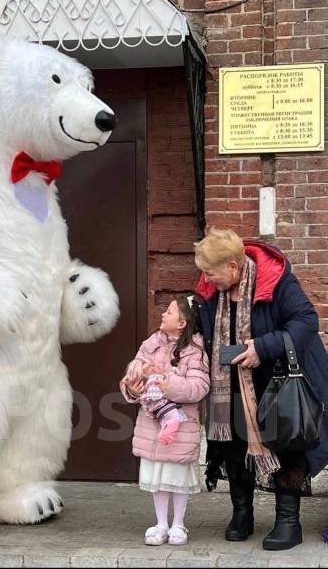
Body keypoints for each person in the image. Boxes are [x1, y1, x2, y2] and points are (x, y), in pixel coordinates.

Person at [194, 228, 328, 551]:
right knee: (235, 445)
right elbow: (199, 332)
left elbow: (307, 321)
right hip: (234, 385)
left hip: (280, 382)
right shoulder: (211, 291)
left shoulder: (277, 281)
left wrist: (261, 348)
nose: (207, 280)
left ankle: (288, 522)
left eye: (211, 273)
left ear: (233, 267)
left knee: (287, 447)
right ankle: (242, 514)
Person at [120, 295, 209, 547]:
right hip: (152, 422)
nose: (163, 315)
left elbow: (199, 386)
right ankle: (160, 523)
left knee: (177, 475)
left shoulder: (195, 349)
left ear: (182, 323)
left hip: (182, 423)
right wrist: (134, 387)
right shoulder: (151, 344)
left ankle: (179, 523)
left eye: (169, 312)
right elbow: (131, 375)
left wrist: (168, 383)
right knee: (159, 476)